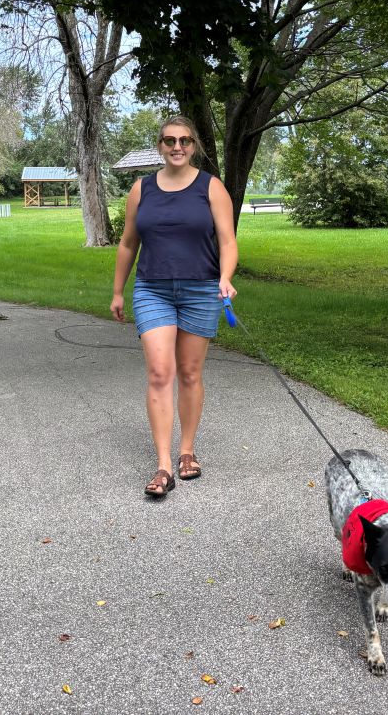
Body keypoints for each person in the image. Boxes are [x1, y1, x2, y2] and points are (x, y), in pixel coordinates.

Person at [111, 116, 238, 498]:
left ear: (194, 145)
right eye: (169, 140)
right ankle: (164, 464)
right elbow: (128, 244)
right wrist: (118, 291)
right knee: (159, 372)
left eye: (184, 140)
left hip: (201, 289)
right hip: (152, 289)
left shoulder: (211, 188)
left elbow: (228, 241)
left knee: (189, 372)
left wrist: (225, 277)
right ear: (160, 146)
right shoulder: (142, 189)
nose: (177, 146)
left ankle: (187, 451)